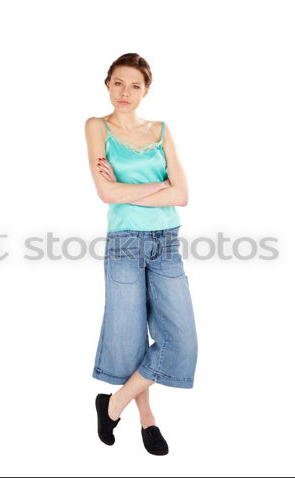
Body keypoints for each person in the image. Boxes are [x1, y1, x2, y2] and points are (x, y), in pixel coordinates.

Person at [84, 53, 198, 455]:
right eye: (118, 82)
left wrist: (132, 188)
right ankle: (147, 420)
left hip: (166, 242)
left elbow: (181, 195)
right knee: (130, 337)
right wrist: (157, 185)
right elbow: (107, 194)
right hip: (125, 243)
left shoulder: (162, 130)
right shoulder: (97, 127)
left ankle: (112, 405)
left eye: (135, 85)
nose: (125, 92)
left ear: (146, 90)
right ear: (108, 84)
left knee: (180, 339)